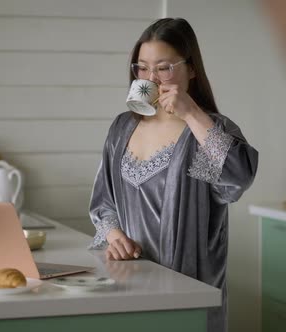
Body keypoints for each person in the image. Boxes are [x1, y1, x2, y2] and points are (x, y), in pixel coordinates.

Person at [88, 18, 258, 332]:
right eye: (142, 68)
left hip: (187, 294)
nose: (151, 78)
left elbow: (237, 178)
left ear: (191, 69)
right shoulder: (122, 127)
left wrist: (192, 112)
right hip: (129, 284)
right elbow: (105, 203)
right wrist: (115, 237)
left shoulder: (205, 132)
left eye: (163, 68)